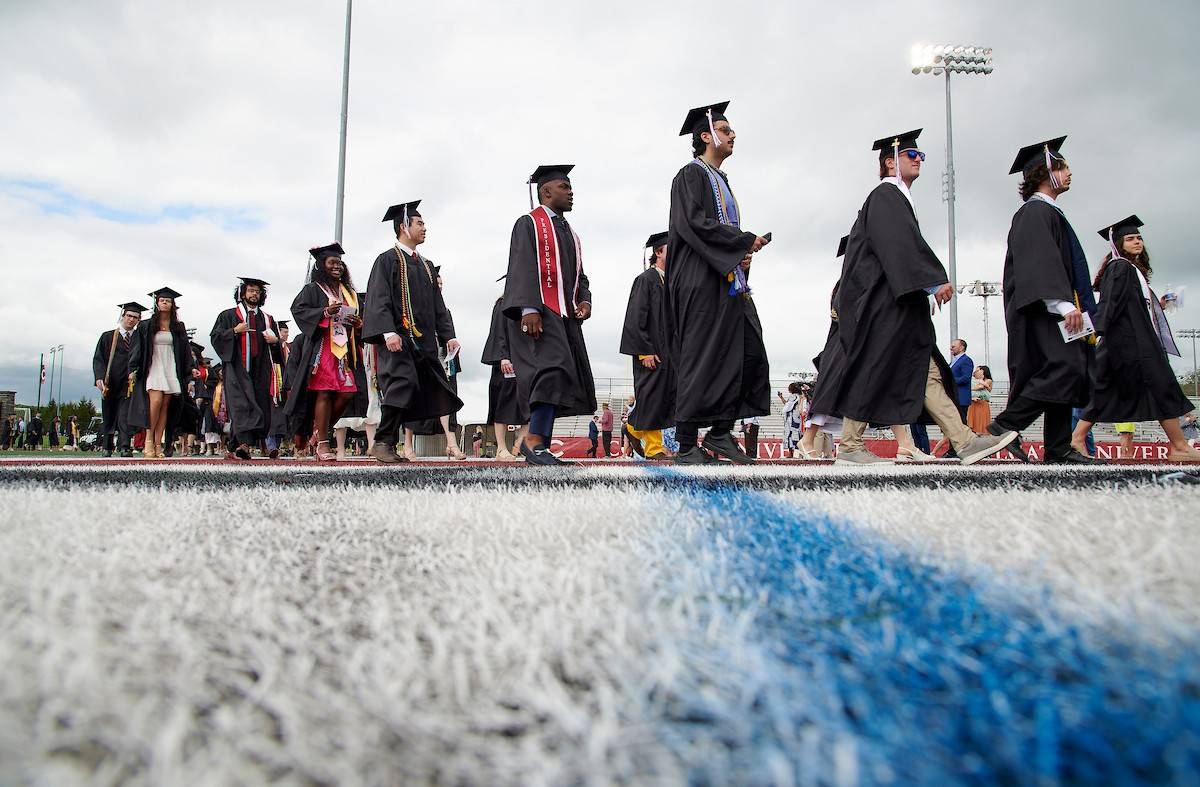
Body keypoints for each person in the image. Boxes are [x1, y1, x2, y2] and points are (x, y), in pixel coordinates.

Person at [810, 129, 1015, 466]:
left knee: (924, 371)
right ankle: (850, 445)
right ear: (890, 162)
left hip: (897, 306)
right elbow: (900, 246)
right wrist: (933, 282)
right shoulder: (886, 195)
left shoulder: (896, 198)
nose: (918, 160)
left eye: (921, 156)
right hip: (885, 306)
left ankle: (963, 441)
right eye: (911, 155)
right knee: (882, 369)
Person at [667, 102, 772, 465]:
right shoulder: (690, 175)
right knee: (702, 357)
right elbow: (692, 224)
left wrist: (740, 252)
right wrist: (742, 241)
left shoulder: (721, 180)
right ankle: (685, 445)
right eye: (726, 130)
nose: (733, 135)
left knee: (747, 351)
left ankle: (721, 432)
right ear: (706, 135)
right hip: (699, 282)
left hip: (726, 279)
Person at [985, 137, 1100, 464]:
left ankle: (1059, 447)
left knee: (1071, 371)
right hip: (1046, 310)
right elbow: (1039, 263)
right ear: (1043, 172)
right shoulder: (1034, 213)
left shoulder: (1049, 213)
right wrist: (1063, 306)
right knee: (1062, 369)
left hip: (1059, 310)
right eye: (1062, 167)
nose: (1069, 173)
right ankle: (1003, 428)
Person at [1071, 216, 1200, 462]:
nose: (1137, 241)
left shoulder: (1132, 270)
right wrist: (1095, 331)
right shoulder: (1119, 267)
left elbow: (1132, 307)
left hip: (1127, 342)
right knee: (1162, 386)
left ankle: (1077, 439)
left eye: (1139, 238)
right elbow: (1110, 304)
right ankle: (1180, 446)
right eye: (1130, 238)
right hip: (1131, 344)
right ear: (1118, 244)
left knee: (1104, 390)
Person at [500, 166, 596, 466]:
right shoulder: (529, 224)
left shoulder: (569, 233)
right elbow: (522, 264)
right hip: (539, 313)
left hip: (565, 315)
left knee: (560, 377)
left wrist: (584, 300)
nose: (571, 191)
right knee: (550, 371)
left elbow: (580, 275)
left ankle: (539, 443)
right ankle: (532, 440)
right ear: (546, 192)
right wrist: (529, 308)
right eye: (564, 186)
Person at [363, 200, 463, 462]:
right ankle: (382, 442)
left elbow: (437, 305)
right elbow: (378, 298)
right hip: (397, 339)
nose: (424, 228)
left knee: (413, 390)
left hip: (423, 342)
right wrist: (387, 332)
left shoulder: (427, 265)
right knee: (401, 384)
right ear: (403, 226)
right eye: (419, 223)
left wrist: (448, 335)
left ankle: (390, 444)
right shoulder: (387, 260)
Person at [287, 245, 368, 461]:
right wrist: (324, 312)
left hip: (345, 352)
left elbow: (361, 320)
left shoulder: (350, 293)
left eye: (339, 263)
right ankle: (323, 443)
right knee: (323, 392)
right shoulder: (313, 289)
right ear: (321, 265)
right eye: (332, 263)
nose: (337, 267)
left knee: (347, 392)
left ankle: (318, 432)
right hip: (322, 349)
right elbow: (299, 310)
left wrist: (359, 325)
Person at [210, 277, 284, 460]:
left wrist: (276, 342)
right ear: (243, 293)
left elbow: (276, 346)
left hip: (260, 368)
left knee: (259, 405)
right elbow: (216, 337)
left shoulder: (267, 319)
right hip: (237, 367)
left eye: (258, 292)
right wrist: (234, 331)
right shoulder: (228, 315)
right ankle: (244, 445)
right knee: (241, 406)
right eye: (251, 291)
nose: (254, 294)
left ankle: (234, 445)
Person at [401, 264, 466, 461]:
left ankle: (452, 443)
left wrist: (452, 345)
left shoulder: (444, 310)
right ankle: (407, 445)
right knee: (413, 399)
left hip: (442, 361)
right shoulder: (413, 308)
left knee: (446, 398)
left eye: (441, 284)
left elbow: (448, 332)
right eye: (436, 283)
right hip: (420, 359)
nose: (439, 287)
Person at [620, 231, 675, 460]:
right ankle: (654, 449)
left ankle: (633, 427)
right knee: (651, 397)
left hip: (668, 352)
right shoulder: (646, 280)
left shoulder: (670, 281)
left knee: (661, 398)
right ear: (658, 252)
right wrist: (644, 351)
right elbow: (635, 317)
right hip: (649, 350)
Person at [129, 287, 196, 458]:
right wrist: (133, 368)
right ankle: (148, 440)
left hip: (170, 366)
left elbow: (185, 351)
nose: (165, 303)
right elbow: (136, 349)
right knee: (155, 402)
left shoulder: (178, 327)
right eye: (162, 301)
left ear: (173, 304)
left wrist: (189, 373)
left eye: (168, 301)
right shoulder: (146, 325)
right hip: (153, 366)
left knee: (165, 406)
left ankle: (159, 444)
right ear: (157, 303)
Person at [481, 283, 529, 461]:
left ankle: (520, 444)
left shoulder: (530, 305)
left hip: (525, 362)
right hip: (506, 362)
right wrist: (503, 356)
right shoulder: (503, 303)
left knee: (529, 405)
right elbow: (498, 331)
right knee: (503, 405)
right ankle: (501, 449)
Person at [92, 301, 146, 457]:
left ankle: (124, 446)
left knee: (125, 415)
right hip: (110, 381)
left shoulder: (139, 338)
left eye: (135, 317)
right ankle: (107, 446)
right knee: (108, 413)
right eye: (129, 316)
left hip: (129, 383)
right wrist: (99, 377)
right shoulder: (108, 336)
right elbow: (98, 358)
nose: (131, 319)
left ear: (138, 320)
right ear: (123, 316)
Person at [967, 366, 993, 434]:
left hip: (982, 403)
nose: (977, 372)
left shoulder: (988, 380)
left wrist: (969, 389)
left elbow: (980, 387)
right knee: (973, 423)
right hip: (974, 403)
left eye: (979, 370)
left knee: (981, 423)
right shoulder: (975, 380)